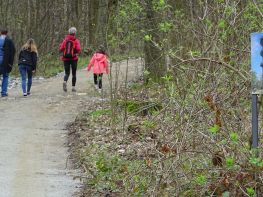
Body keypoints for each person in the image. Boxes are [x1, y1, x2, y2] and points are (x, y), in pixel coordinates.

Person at [59, 27, 81, 92]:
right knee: (74, 73)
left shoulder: (65, 40)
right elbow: (78, 49)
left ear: (69, 32)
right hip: (74, 58)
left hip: (65, 59)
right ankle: (73, 87)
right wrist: (76, 52)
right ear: (75, 33)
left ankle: (65, 81)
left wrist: (63, 52)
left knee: (67, 73)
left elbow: (61, 48)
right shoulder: (76, 40)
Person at [0, 28, 16, 97]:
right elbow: (13, 51)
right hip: (5, 61)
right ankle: (3, 93)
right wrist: (10, 62)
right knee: (5, 76)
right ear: (6, 33)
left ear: (0, 33)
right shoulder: (9, 41)